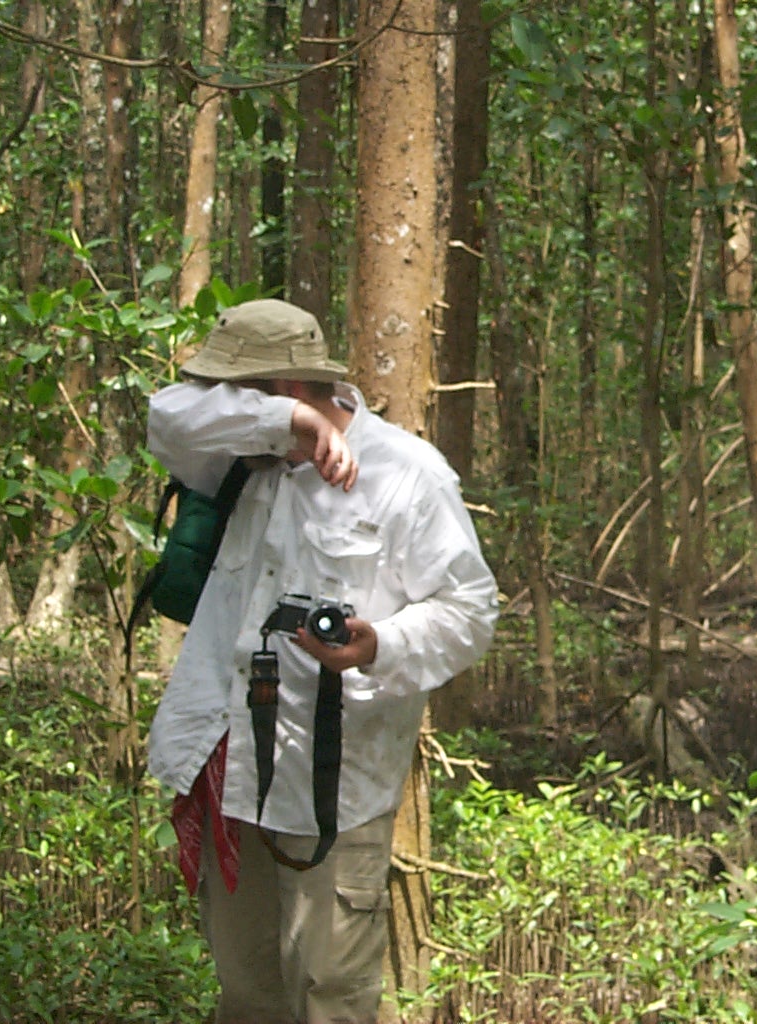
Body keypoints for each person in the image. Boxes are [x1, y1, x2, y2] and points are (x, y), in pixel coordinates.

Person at [144, 298, 500, 1024]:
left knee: (331, 994)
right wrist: (290, 426)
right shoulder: (240, 457)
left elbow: (471, 612)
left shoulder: (407, 475)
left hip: (333, 783)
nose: (219, 408)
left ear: (287, 383)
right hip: (230, 765)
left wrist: (382, 645)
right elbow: (166, 415)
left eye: (234, 393)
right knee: (246, 993)